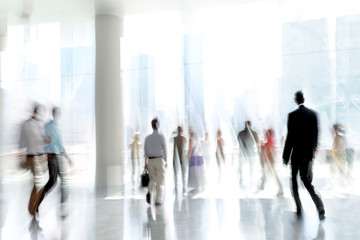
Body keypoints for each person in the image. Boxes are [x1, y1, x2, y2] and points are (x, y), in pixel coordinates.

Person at [282, 91, 325, 220]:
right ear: (304, 99)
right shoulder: (313, 115)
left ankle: (299, 208)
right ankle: (320, 207)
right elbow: (316, 136)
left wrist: (285, 157)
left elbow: (290, 138)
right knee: (306, 182)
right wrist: (312, 154)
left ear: (296, 100)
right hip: (307, 155)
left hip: (295, 155)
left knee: (294, 181)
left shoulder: (292, 116)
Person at [19, 104, 50, 216]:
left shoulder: (40, 124)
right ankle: (31, 209)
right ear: (35, 111)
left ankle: (36, 206)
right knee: (37, 182)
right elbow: (21, 141)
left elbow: (42, 139)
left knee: (43, 183)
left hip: (41, 156)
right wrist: (21, 158)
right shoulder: (25, 124)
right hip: (31, 156)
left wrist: (46, 140)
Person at [42, 107, 73, 217]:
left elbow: (59, 144)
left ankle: (62, 205)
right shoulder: (47, 126)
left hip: (59, 155)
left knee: (64, 181)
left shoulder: (57, 127)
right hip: (51, 156)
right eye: (55, 112)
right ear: (52, 113)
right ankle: (39, 198)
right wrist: (46, 152)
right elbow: (43, 140)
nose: (57, 114)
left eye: (58, 113)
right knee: (52, 181)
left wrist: (67, 157)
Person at [144, 118, 167, 205]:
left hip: (150, 160)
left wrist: (145, 163)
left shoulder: (147, 138)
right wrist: (166, 160)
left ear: (152, 126)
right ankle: (158, 200)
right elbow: (164, 150)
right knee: (160, 180)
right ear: (158, 125)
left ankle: (149, 192)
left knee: (152, 179)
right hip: (159, 160)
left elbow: (145, 152)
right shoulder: (161, 137)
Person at [259, 129, 283, 196]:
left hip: (270, 161)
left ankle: (280, 189)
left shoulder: (269, 141)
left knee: (274, 176)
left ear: (269, 134)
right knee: (268, 175)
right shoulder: (270, 141)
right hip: (269, 161)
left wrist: (262, 142)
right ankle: (262, 186)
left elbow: (265, 149)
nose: (266, 135)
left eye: (267, 133)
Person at [237, 121, 259, 186]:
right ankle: (251, 179)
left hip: (243, 151)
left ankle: (241, 178)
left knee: (241, 166)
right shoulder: (254, 133)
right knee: (251, 166)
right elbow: (257, 142)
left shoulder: (240, 133)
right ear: (250, 125)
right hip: (251, 151)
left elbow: (238, 141)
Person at [187, 127, 206, 193]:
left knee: (194, 174)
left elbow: (190, 150)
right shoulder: (198, 139)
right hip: (199, 157)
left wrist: (187, 158)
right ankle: (201, 187)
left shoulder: (191, 139)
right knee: (199, 173)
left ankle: (196, 188)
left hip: (194, 158)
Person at [173, 126, 187, 194]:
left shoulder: (174, 138)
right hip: (182, 157)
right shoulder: (184, 138)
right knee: (183, 172)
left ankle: (176, 187)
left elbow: (175, 149)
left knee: (176, 172)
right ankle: (184, 187)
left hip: (176, 157)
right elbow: (182, 149)